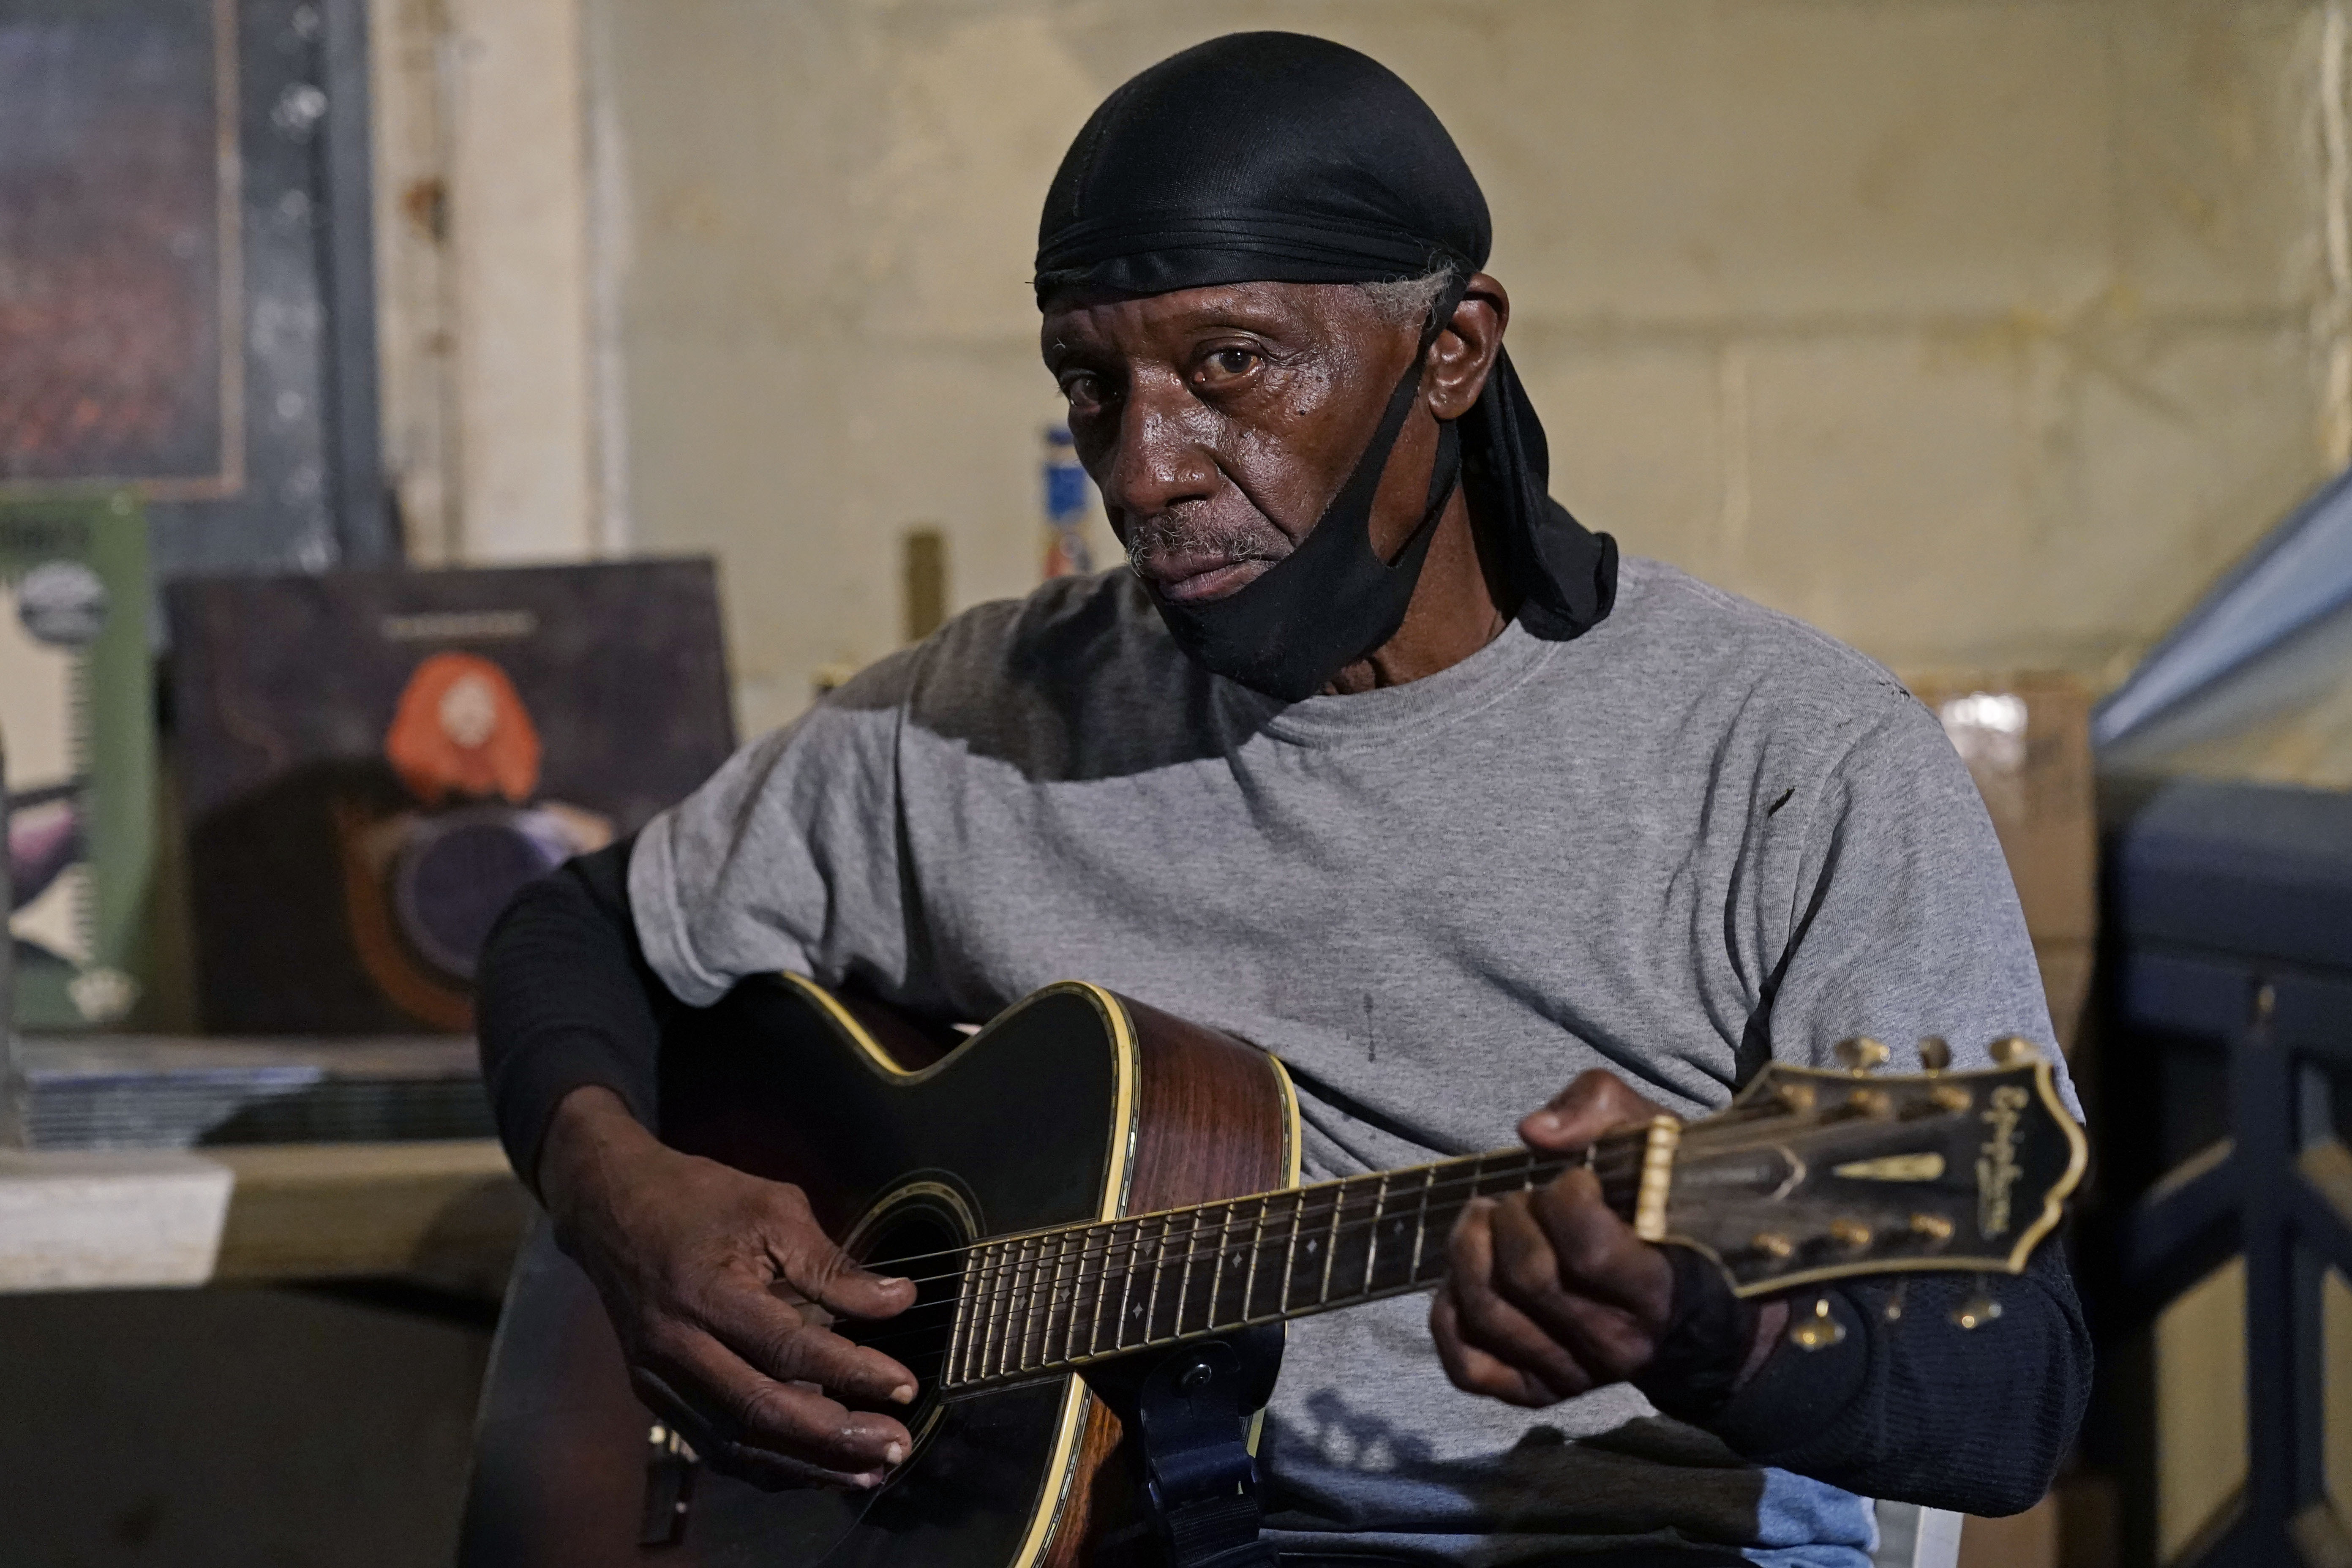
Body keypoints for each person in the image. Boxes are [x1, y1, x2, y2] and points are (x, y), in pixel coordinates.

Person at [478, 33, 2089, 1568]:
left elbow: (2008, 1399)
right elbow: (577, 932)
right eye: (1094, 387)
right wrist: (624, 1200)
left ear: (1453, 350)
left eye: (1231, 367)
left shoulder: (1788, 756)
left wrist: (1706, 1335)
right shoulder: (985, 719)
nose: (1144, 471)